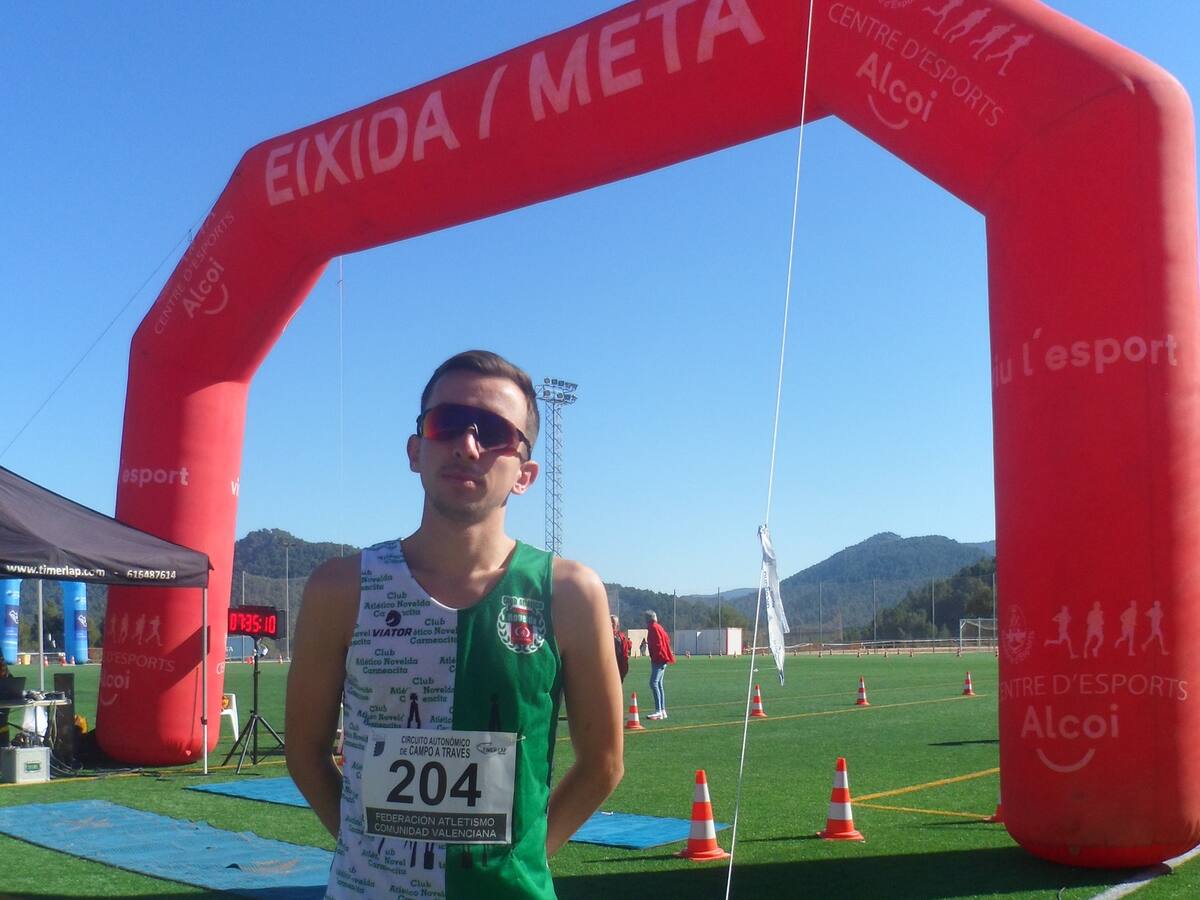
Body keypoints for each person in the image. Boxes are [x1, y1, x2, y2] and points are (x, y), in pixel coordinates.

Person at [286, 350, 624, 899]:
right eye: (446, 424)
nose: (467, 446)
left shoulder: (569, 592)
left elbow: (604, 763)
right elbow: (304, 751)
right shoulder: (340, 588)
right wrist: (368, 854)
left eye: (493, 432)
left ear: (525, 473)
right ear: (416, 450)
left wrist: (521, 860)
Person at [644, 610, 675, 720]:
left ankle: (658, 711)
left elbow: (657, 645)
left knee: (653, 683)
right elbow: (666, 640)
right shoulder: (659, 627)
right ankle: (662, 710)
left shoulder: (653, 628)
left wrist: (656, 658)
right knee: (659, 684)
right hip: (663, 658)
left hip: (659, 659)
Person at [611, 615, 632, 683]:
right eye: (609, 622)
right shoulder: (604, 635)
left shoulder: (621, 637)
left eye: (613, 622)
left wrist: (624, 669)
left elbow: (625, 654)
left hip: (619, 667)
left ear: (617, 625)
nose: (611, 624)